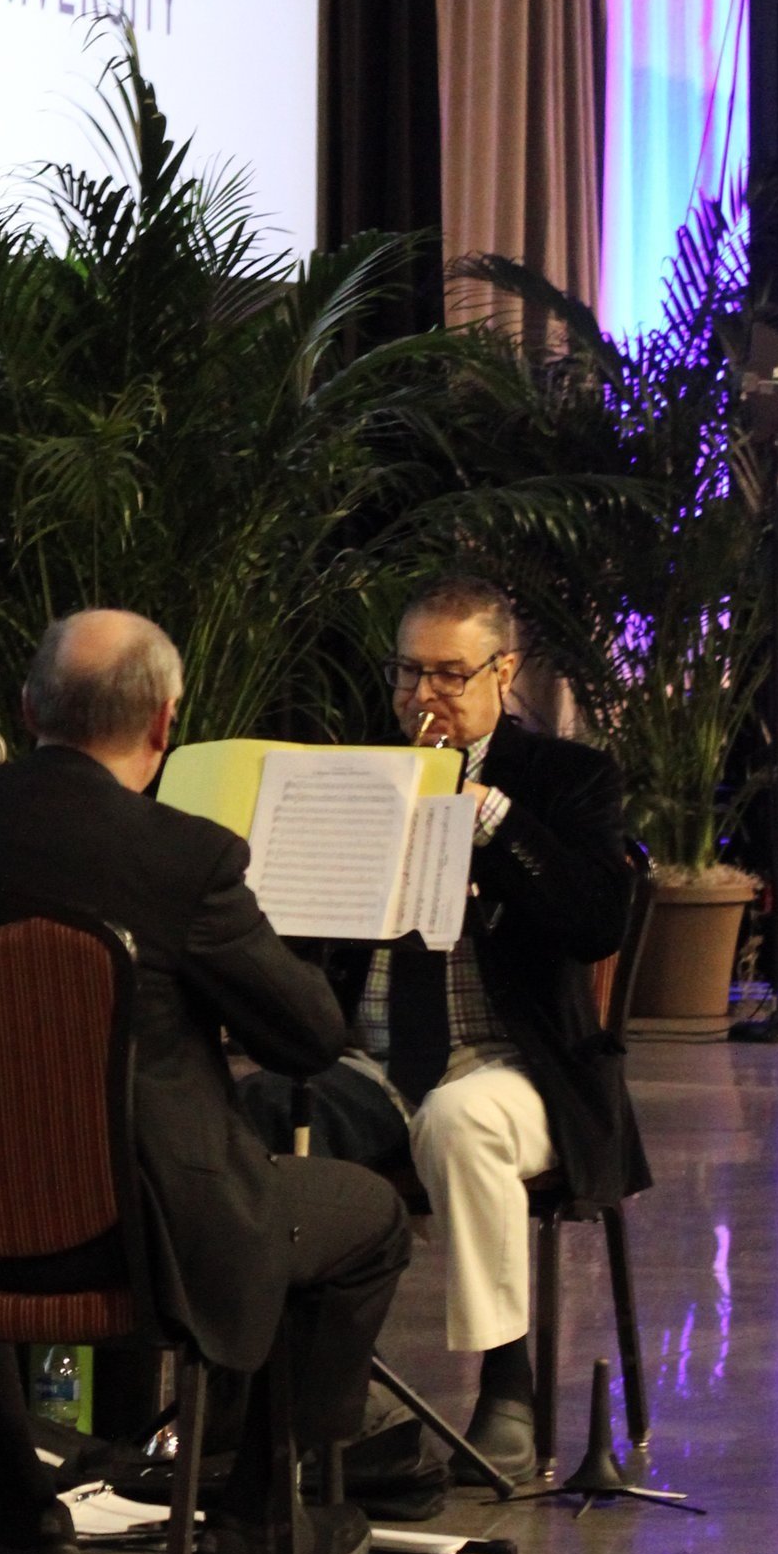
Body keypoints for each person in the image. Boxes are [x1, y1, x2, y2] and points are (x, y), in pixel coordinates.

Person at [0, 606, 410, 1554]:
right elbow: (307, 1038)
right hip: (144, 1248)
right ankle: (254, 1518)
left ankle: (7, 1502)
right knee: (364, 1217)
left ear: (29, 708)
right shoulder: (181, 859)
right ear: (164, 724)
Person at [240, 572, 648, 1477]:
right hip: (374, 1060)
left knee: (459, 1122)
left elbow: (595, 920)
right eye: (407, 672)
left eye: (449, 674)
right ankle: (290, 1390)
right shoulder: (358, 776)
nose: (423, 696)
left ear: (505, 673)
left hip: (514, 1065)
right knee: (254, 1114)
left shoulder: (567, 779)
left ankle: (506, 1384)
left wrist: (490, 815)